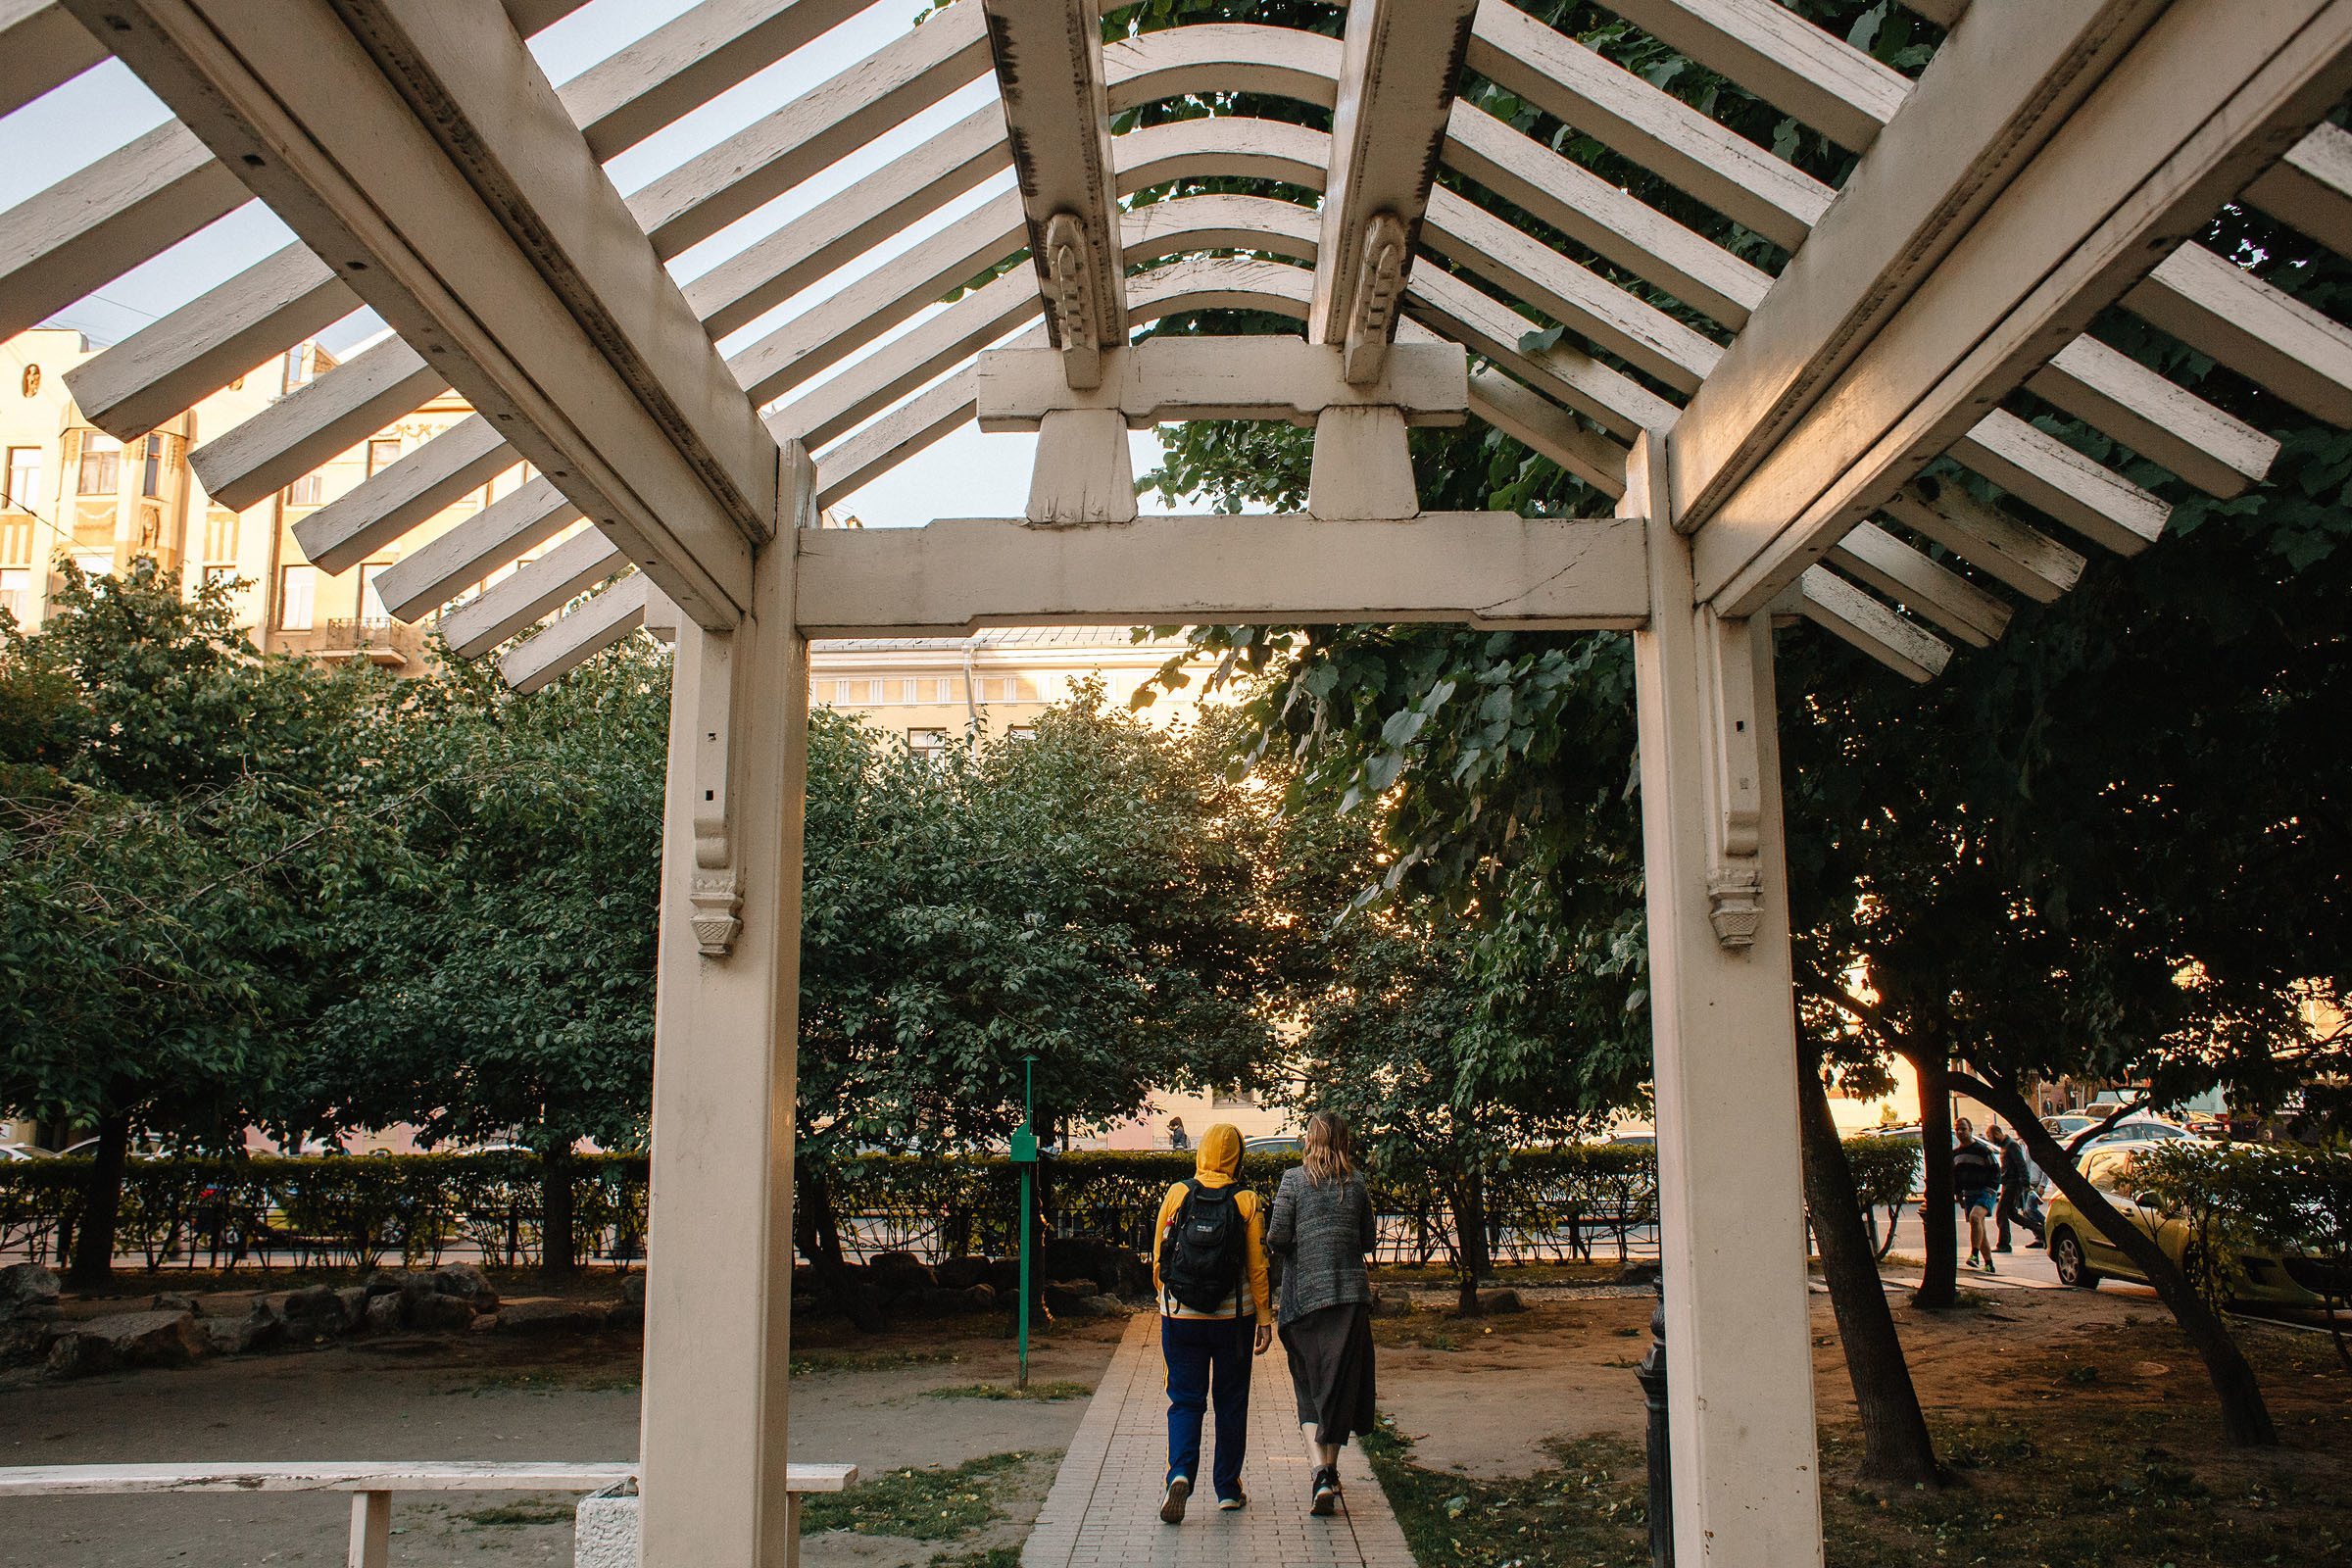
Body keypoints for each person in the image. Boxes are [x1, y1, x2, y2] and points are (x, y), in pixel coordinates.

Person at [1152, 1122, 1272, 1523]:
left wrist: (1165, 1299)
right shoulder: (1246, 1200)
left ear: (1202, 1152)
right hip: (1233, 1321)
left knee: (1185, 1400)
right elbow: (1258, 1267)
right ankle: (1227, 1489)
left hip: (1181, 1317)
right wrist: (1265, 1317)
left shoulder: (1178, 1193)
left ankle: (1180, 1473)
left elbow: (1159, 1256)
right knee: (1231, 1402)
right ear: (1237, 1156)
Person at [1266, 1111, 1378, 1518]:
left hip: (1304, 1302)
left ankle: (1318, 1474)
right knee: (1339, 1388)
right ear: (1345, 1141)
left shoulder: (1293, 1181)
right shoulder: (1358, 1183)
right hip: (1349, 1299)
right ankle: (1330, 1472)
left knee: (1309, 1387)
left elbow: (1276, 1237)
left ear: (1309, 1140)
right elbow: (1368, 1240)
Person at [1950, 1118, 2001, 1273]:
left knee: (1975, 1217)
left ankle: (1974, 1255)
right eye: (1958, 1129)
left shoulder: (1983, 1150)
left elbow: (1996, 1170)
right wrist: (1958, 1194)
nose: (1960, 1132)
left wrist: (1991, 1189)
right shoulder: (1956, 1154)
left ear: (1970, 1130)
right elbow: (1956, 1177)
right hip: (1969, 1194)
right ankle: (1989, 1263)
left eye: (1963, 1129)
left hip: (1985, 1191)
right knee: (1980, 1228)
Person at [1988, 1123, 2042, 1251]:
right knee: (2013, 1215)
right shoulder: (2004, 1146)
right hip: (2008, 1184)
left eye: (1989, 1136)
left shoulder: (2011, 1145)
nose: (1989, 1139)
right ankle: (2041, 1231)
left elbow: (2021, 1165)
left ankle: (2004, 1244)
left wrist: (2025, 1184)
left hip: (2013, 1184)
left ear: (1996, 1133)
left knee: (2001, 1213)